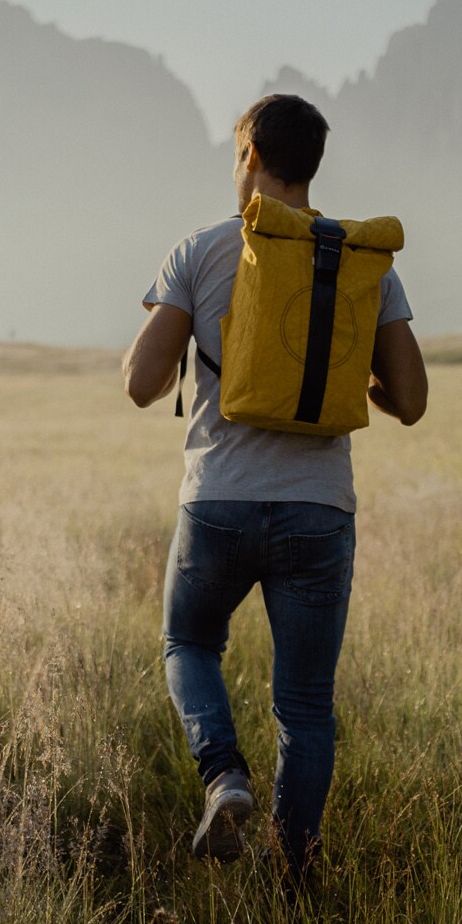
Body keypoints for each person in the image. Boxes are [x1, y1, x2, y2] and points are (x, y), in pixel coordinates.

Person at [121, 93, 428, 881]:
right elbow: (412, 401)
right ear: (312, 166)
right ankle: (293, 876)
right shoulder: (361, 262)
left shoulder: (201, 249)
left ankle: (223, 773)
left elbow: (140, 384)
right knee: (304, 706)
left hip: (218, 501)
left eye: (236, 157)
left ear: (251, 155)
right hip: (318, 510)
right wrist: (345, 377)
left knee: (187, 641)